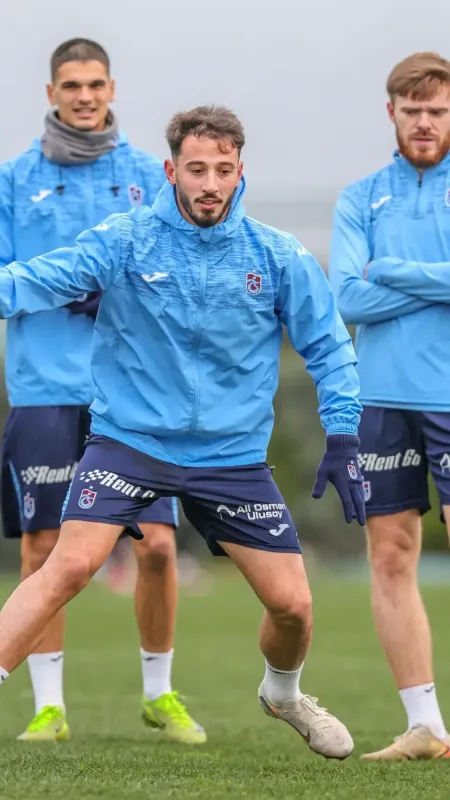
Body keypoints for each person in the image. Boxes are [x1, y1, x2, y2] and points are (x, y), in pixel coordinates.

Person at [0, 104, 365, 760]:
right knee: (68, 565)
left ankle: (283, 694)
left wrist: (342, 435)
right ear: (171, 172)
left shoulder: (276, 255)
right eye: (196, 169)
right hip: (130, 443)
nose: (210, 183)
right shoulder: (125, 239)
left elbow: (330, 348)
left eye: (223, 169)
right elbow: (37, 279)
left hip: (231, 458)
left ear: (240, 172)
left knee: (293, 608)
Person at [0, 38, 205, 745]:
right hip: (44, 386)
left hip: (135, 390)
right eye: (71, 85)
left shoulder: (150, 174)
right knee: (44, 546)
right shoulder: (13, 179)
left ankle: (160, 692)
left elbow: (182, 264)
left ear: (111, 89)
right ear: (51, 94)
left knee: (156, 545)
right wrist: (69, 288)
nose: (84, 96)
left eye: (95, 84)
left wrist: (125, 292)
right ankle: (48, 707)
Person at [329, 51, 450, 761]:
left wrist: (393, 271)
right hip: (378, 399)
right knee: (392, 556)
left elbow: (372, 282)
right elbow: (347, 296)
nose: (424, 122)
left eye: (437, 110)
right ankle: (426, 727)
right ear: (392, 113)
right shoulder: (360, 197)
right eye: (413, 110)